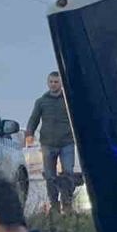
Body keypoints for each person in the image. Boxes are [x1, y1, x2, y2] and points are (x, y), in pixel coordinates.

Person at [24, 72, 75, 213]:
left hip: (67, 142)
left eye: (56, 82)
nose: (53, 84)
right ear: (48, 83)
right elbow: (34, 118)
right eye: (51, 82)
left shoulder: (69, 100)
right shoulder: (41, 101)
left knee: (68, 173)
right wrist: (29, 134)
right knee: (50, 176)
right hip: (48, 144)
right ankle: (54, 205)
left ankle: (67, 202)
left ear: (61, 84)